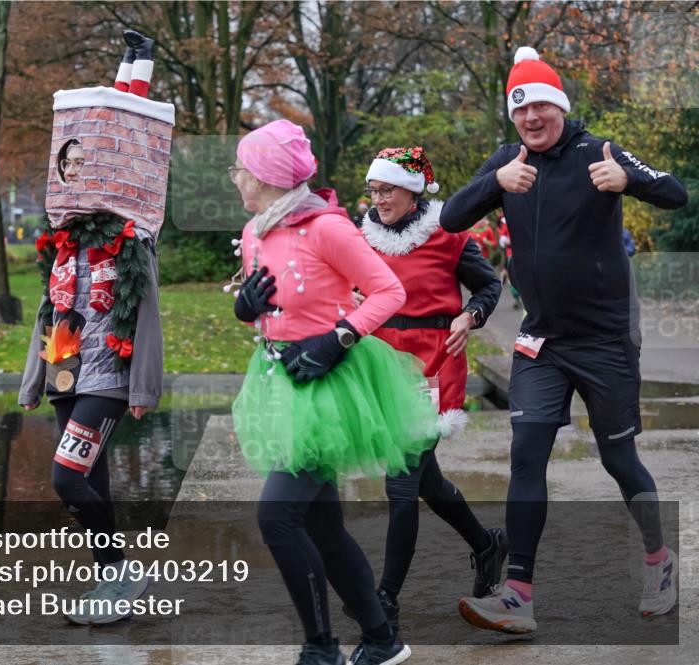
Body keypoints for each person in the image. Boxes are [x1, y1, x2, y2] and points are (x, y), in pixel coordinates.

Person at [441, 46, 688, 634]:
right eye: (522, 111)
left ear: (560, 106)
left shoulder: (597, 151)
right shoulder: (508, 161)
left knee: (618, 458)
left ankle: (659, 559)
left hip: (605, 340)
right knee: (527, 455)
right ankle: (518, 593)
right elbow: (451, 218)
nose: (532, 119)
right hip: (541, 342)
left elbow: (674, 191)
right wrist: (493, 184)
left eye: (543, 107)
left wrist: (627, 179)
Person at [230, 120, 439, 665]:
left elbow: (388, 291)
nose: (235, 178)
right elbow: (268, 307)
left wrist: (337, 338)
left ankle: (321, 648)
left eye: (242, 168)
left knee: (277, 519)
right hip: (281, 381)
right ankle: (381, 640)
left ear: (268, 176)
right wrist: (246, 309)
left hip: (330, 388)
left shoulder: (327, 227)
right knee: (322, 528)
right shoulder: (256, 230)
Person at [18, 29, 169, 626]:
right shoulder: (62, 239)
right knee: (94, 483)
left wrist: (138, 66)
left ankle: (122, 571)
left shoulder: (133, 234)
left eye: (87, 164)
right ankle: (112, 584)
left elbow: (122, 145)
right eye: (69, 163)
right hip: (64, 371)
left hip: (108, 379)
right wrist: (33, 382)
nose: (79, 171)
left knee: (66, 477)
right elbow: (46, 316)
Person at [358, 146, 506, 631]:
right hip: (381, 367)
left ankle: (386, 597)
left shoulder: (449, 234)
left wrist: (470, 315)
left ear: (414, 190)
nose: (377, 199)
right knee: (428, 483)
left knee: (400, 482)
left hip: (432, 370)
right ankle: (487, 545)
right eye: (373, 190)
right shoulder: (363, 235)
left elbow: (488, 287)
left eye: (387, 190)